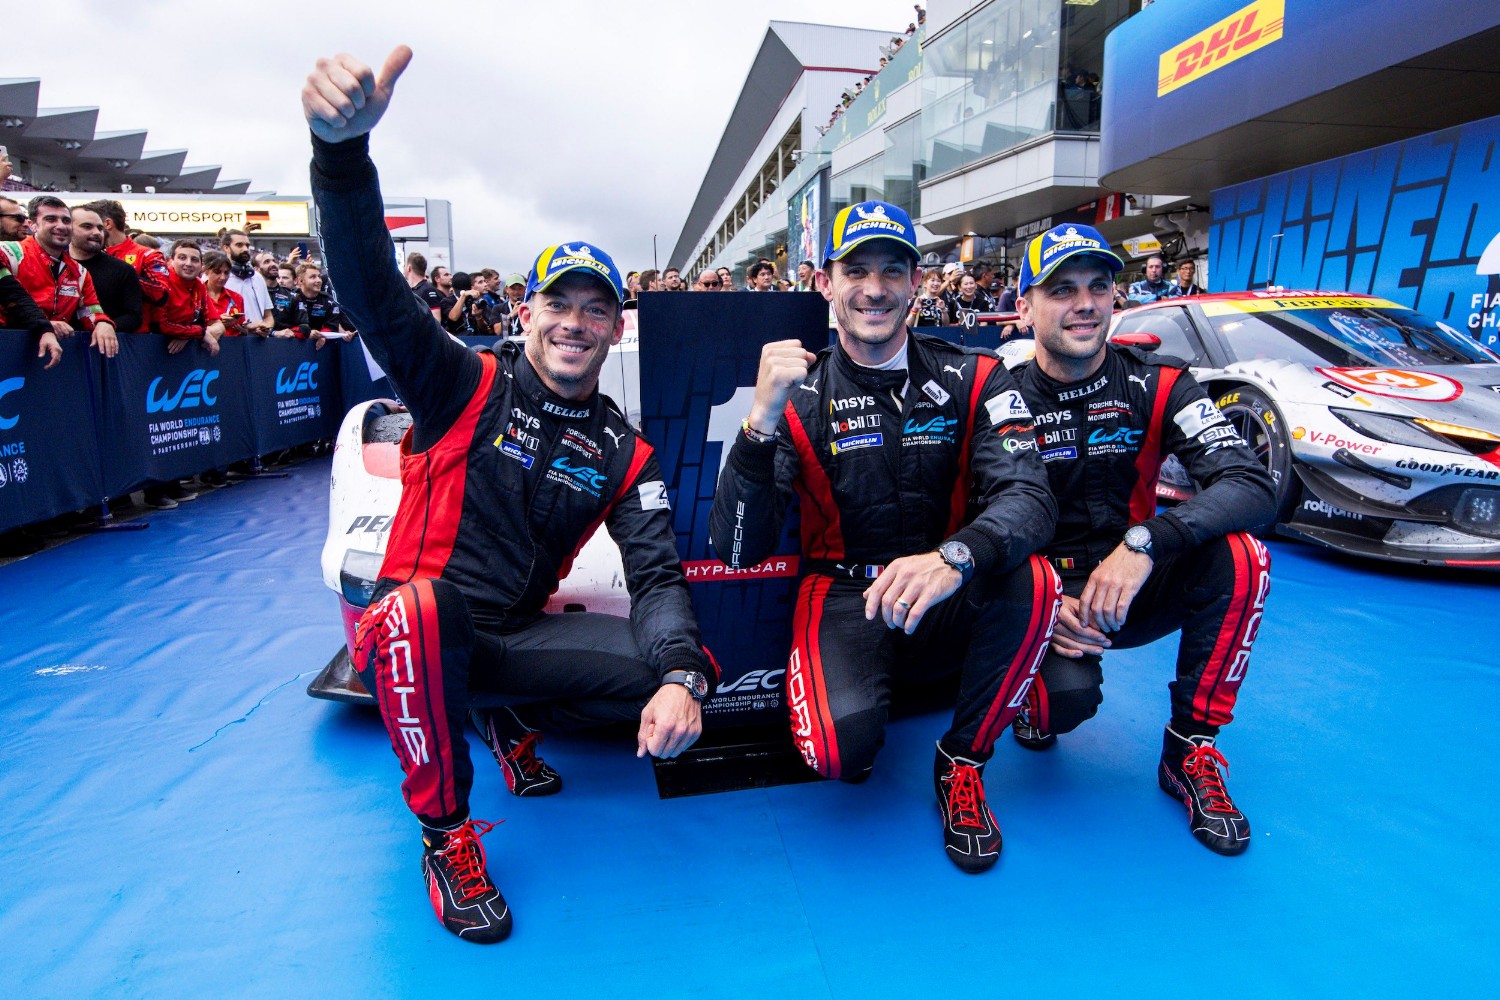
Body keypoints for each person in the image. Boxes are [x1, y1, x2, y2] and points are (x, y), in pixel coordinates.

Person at [302, 44, 719, 944]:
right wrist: (340, 157)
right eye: (556, 303)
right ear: (527, 311)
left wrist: (684, 673)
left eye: (595, 308)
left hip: (513, 643)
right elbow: (373, 292)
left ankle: (504, 718)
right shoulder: (462, 383)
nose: (574, 322)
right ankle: (447, 835)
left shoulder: (624, 446)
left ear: (617, 325)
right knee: (420, 614)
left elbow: (655, 577)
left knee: (674, 665)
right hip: (410, 634)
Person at [709, 199, 1060, 873]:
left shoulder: (977, 375)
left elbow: (1030, 496)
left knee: (1036, 581)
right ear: (825, 284)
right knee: (837, 755)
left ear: (916, 282)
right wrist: (758, 424)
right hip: (845, 595)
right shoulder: (797, 394)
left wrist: (957, 555)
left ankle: (963, 759)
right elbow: (736, 551)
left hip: (947, 585)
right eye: (857, 270)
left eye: (892, 271)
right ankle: (876, 700)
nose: (874, 289)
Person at [1007, 223, 1275, 856]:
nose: (1085, 303)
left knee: (1244, 558)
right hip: (1041, 593)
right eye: (1062, 288)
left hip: (1134, 577)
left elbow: (1252, 485)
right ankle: (1030, 681)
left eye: (1100, 286)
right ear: (1024, 308)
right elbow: (970, 522)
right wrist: (1037, 604)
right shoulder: (996, 393)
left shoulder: (1161, 383)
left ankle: (1191, 748)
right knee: (1055, 711)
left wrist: (1148, 540)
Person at [0, 196, 118, 360]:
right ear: (32, 225)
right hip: (8, 353)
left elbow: (91, 312)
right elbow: (11, 300)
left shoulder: (79, 272)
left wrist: (103, 323)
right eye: (50, 219)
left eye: (66, 220)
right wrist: (43, 326)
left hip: (53, 360)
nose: (61, 226)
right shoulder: (8, 252)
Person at [88, 199, 172, 332]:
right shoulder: (89, 254)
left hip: (134, 338)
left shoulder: (148, 255)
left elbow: (161, 294)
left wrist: (123, 274)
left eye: (93, 225)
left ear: (107, 223)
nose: (91, 231)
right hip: (93, 332)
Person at [70, 205, 143, 335]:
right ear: (68, 228)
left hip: (107, 348)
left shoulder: (123, 270)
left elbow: (134, 317)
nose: (97, 233)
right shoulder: (54, 265)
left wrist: (108, 325)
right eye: (87, 226)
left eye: (100, 228)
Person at [221, 230, 275, 334]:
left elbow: (268, 316)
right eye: (239, 245)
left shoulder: (258, 278)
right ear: (226, 247)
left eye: (247, 245)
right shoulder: (218, 278)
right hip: (228, 341)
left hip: (257, 342)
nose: (245, 249)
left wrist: (266, 328)